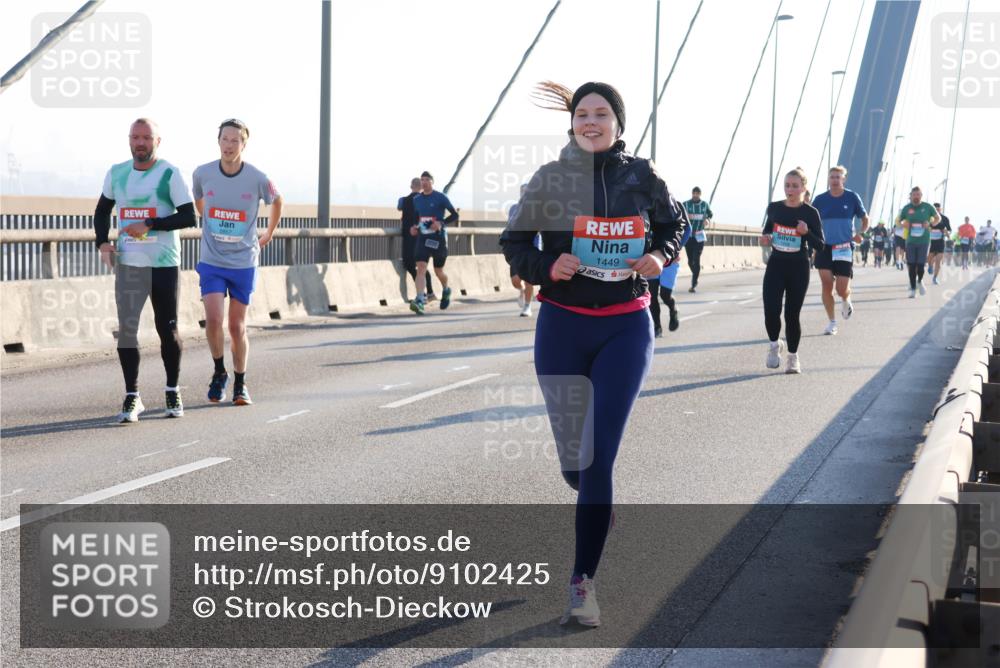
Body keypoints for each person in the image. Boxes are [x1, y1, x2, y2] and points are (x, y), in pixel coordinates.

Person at [501, 81, 685, 627]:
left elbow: (677, 228)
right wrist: (543, 268)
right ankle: (595, 503)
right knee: (576, 466)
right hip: (562, 328)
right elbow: (514, 242)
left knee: (598, 457)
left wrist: (657, 254)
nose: (591, 120)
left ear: (618, 124)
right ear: (572, 124)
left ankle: (583, 583)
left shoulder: (644, 177)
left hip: (626, 328)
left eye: (602, 113)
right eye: (583, 113)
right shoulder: (551, 179)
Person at [94, 119, 196, 423]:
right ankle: (132, 396)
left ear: (157, 141)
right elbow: (102, 210)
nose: (140, 143)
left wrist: (150, 224)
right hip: (128, 263)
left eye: (146, 138)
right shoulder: (117, 173)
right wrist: (102, 243)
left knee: (168, 330)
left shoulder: (169, 174)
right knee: (127, 331)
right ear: (129, 140)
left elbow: (189, 216)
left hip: (163, 263)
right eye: (135, 137)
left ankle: (172, 389)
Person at [192, 119, 282, 406]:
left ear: (244, 144)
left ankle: (240, 383)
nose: (229, 145)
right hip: (212, 259)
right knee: (214, 319)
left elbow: (277, 199)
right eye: (225, 139)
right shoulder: (202, 173)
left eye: (235, 140)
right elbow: (199, 200)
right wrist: (210, 220)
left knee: (236, 326)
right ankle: (220, 372)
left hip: (243, 261)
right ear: (218, 141)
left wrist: (269, 231)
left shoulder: (256, 177)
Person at [760, 167, 824, 373]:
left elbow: (820, 245)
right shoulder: (775, 208)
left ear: (804, 188)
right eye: (787, 185)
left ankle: (793, 357)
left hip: (798, 266)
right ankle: (773, 345)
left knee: (791, 314)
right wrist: (766, 239)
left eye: (795, 186)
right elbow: (767, 230)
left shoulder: (810, 213)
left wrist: (806, 233)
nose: (790, 189)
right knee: (771, 311)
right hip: (776, 264)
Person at [811, 166, 869, 335]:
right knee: (826, 283)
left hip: (844, 247)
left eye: (838, 177)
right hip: (824, 247)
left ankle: (845, 298)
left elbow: (864, 218)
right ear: (828, 179)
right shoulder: (820, 199)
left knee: (841, 289)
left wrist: (861, 233)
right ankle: (832, 322)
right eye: (832, 177)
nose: (835, 180)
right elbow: (811, 219)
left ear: (844, 179)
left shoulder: (852, 197)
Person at [409, 171, 458, 314]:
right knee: (421, 267)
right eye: (422, 180)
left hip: (438, 239)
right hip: (423, 238)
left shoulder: (441, 197)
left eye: (427, 180)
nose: (424, 182)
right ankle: (419, 299)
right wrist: (414, 227)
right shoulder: (417, 199)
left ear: (432, 182)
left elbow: (455, 215)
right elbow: (416, 216)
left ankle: (446, 289)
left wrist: (441, 223)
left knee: (438, 271)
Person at [649, 221, 691, 336]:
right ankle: (657, 327)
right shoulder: (644, 205)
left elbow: (688, 229)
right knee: (651, 295)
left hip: (669, 258)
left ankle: (673, 309)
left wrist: (677, 249)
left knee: (665, 294)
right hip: (651, 257)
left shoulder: (674, 206)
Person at [896, 186, 938, 298]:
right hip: (910, 241)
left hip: (924, 240)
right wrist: (903, 224)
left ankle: (920, 281)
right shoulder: (906, 208)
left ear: (921, 196)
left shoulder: (928, 207)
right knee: (911, 264)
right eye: (914, 195)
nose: (916, 197)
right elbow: (897, 221)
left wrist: (930, 224)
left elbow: (937, 218)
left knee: (920, 265)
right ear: (911, 196)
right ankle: (913, 289)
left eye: (918, 195)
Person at [398, 177, 435, 301]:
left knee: (409, 265)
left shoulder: (403, 200)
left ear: (411, 186)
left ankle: (423, 293)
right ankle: (429, 292)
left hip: (408, 237)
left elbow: (399, 207)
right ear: (421, 187)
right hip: (421, 237)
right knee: (422, 266)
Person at [508, 186, 540, 317]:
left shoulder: (537, 209)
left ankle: (527, 306)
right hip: (516, 248)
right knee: (515, 280)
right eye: (523, 192)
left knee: (528, 279)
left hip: (532, 247)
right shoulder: (513, 208)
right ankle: (521, 290)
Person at [682, 186, 713, 293]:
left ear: (700, 194)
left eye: (697, 193)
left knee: (696, 259)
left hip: (699, 236)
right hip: (688, 236)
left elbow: (710, 214)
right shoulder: (685, 204)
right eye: (694, 193)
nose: (695, 195)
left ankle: (694, 283)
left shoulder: (704, 205)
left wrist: (707, 220)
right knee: (690, 261)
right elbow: (679, 216)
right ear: (692, 193)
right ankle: (695, 273)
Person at [927, 202, 951, 284]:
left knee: (938, 260)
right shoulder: (929, 218)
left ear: (940, 209)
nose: (936, 211)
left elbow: (949, 230)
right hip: (931, 241)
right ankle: (930, 266)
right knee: (929, 258)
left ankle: (935, 278)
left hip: (940, 241)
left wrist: (945, 232)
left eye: (938, 209)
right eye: (935, 210)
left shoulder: (945, 218)